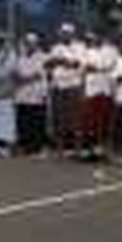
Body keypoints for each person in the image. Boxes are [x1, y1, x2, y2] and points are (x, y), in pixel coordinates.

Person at [46, 24, 85, 152]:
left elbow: (78, 63)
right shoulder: (56, 47)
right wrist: (60, 62)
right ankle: (60, 147)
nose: (64, 35)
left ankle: (77, 147)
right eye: (63, 33)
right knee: (59, 117)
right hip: (58, 85)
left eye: (67, 33)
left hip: (73, 84)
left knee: (75, 117)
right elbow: (49, 63)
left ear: (72, 34)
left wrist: (63, 61)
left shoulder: (79, 47)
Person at [81, 33, 118, 157]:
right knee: (89, 121)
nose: (96, 40)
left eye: (98, 38)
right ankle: (87, 149)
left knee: (102, 121)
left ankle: (100, 148)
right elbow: (85, 68)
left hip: (104, 89)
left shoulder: (108, 51)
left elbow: (111, 66)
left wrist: (98, 68)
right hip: (91, 90)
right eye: (93, 39)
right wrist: (99, 69)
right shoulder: (87, 52)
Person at [13, 33, 49, 154]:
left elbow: (38, 76)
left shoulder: (42, 57)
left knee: (36, 122)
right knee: (23, 121)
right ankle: (25, 145)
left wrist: (25, 79)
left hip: (36, 95)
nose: (29, 45)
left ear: (36, 44)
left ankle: (37, 146)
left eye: (32, 43)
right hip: (22, 95)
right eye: (27, 43)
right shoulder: (20, 58)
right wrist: (25, 79)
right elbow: (16, 76)